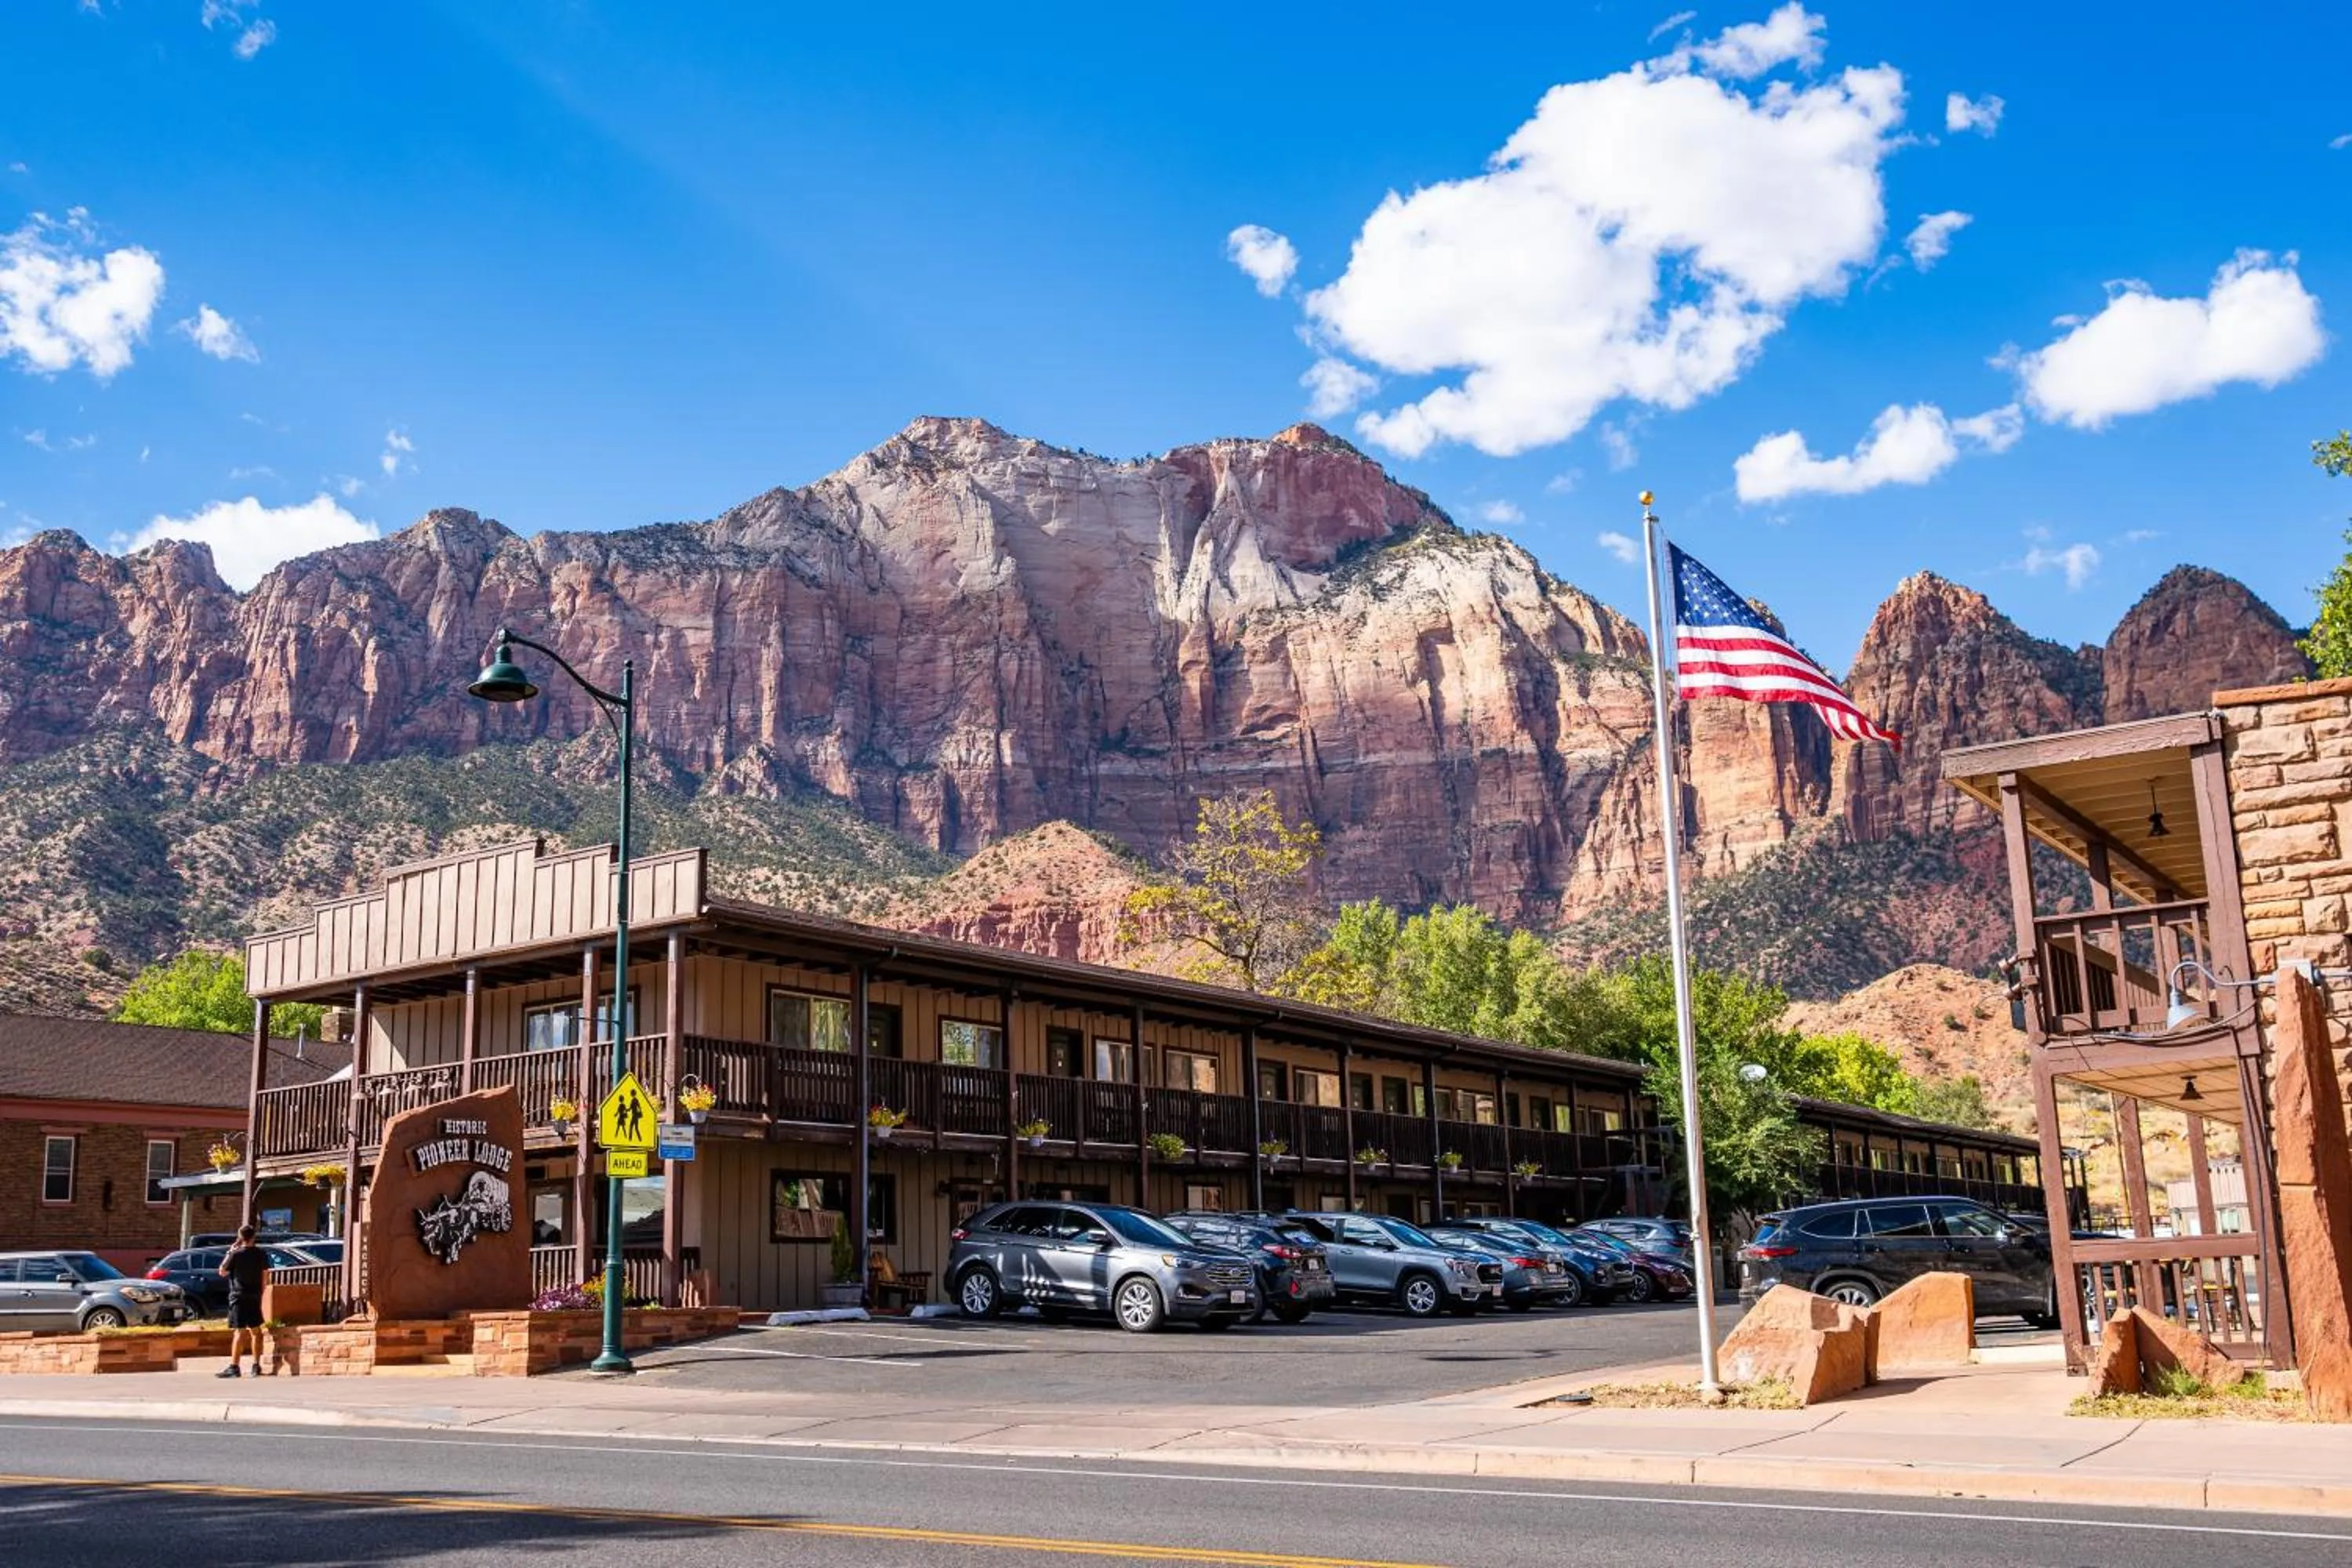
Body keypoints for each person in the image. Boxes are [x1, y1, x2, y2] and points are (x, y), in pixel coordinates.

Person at [216, 1225, 270, 1377]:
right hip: (254, 1295)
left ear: (240, 1238)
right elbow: (265, 1276)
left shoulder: (236, 1254)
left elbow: (222, 1271)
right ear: (254, 1237)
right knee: (255, 1330)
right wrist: (262, 1292)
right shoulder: (261, 1254)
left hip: (238, 1296)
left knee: (239, 1331)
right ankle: (256, 1365)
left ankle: (234, 1366)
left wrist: (230, 1252)